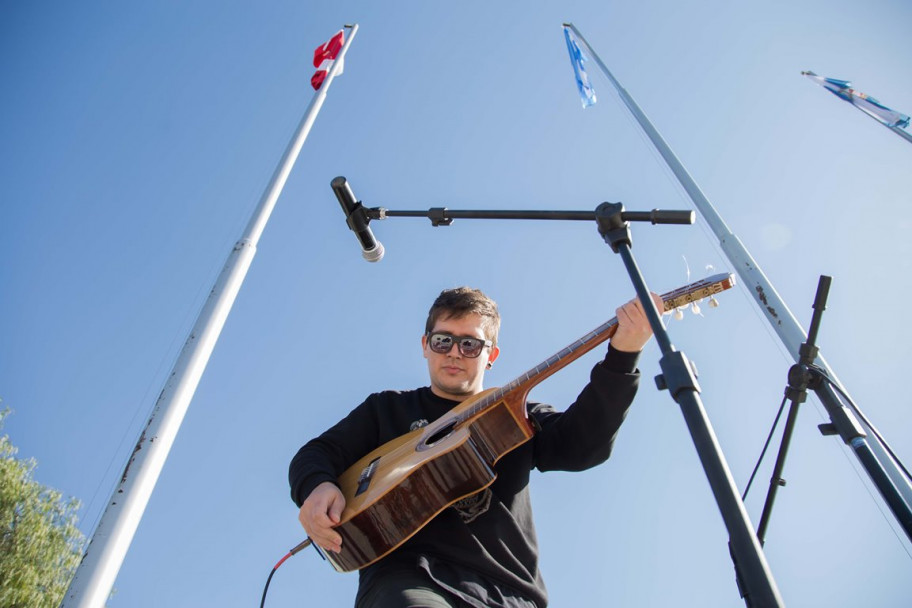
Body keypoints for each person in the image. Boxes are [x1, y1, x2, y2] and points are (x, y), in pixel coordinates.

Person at [289, 286, 659, 607]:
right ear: (425, 345)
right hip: (409, 580)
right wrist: (315, 485)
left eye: (470, 344)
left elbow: (582, 447)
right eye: (443, 340)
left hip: (509, 591)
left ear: (490, 355)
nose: (454, 352)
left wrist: (622, 357)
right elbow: (317, 453)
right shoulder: (386, 408)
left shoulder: (515, 414)